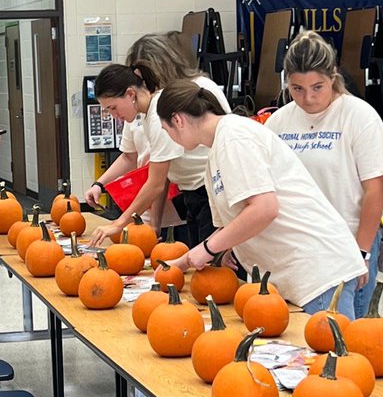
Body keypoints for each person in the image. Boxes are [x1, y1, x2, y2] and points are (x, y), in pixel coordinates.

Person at [156, 81, 366, 315]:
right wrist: (188, 260)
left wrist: (209, 248)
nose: (169, 139)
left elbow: (264, 208)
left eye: (166, 131)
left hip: (316, 271)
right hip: (292, 276)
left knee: (326, 349)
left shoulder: (234, 136)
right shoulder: (216, 151)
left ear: (178, 120)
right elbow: (233, 222)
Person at [265, 30, 383, 318]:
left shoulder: (359, 116)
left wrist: (362, 252)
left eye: (317, 87)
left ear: (333, 76)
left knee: (351, 336)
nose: (308, 98)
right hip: (299, 246)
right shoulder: (278, 122)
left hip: (350, 240)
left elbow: (375, 190)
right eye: (297, 89)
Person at [85, 39, 231, 246]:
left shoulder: (158, 110)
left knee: (212, 264)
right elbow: (162, 177)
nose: (113, 115)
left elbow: (155, 183)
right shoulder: (149, 112)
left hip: (210, 190)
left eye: (113, 108)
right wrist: (155, 224)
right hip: (192, 193)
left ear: (130, 93)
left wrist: (119, 223)